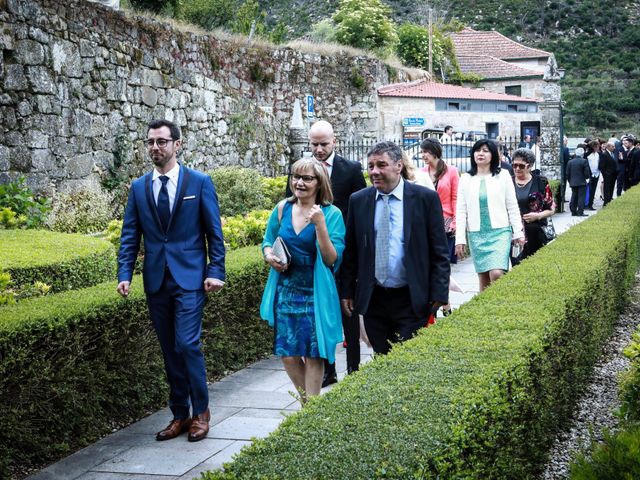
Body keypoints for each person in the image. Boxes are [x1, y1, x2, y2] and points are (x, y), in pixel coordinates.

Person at [117, 119, 225, 442]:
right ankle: (180, 413)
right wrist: (124, 274)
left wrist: (215, 270)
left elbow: (214, 234)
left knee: (187, 343)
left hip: (191, 278)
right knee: (169, 349)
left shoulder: (199, 182)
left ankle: (201, 412)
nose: (155, 147)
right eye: (150, 142)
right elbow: (129, 237)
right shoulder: (138, 188)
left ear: (177, 144)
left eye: (162, 141)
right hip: (156, 281)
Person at [340, 141, 450, 355]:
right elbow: (351, 251)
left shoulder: (424, 199)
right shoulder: (359, 201)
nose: (374, 171)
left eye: (381, 165)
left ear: (399, 166)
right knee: (382, 359)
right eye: (370, 166)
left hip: (411, 297)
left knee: (408, 360)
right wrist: (347, 291)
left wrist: (439, 293)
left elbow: (439, 251)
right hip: (374, 298)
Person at [286, 120, 367, 387]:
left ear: (335, 141)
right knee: (321, 317)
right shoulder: (303, 171)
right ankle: (328, 370)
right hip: (313, 255)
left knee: (347, 311)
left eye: (324, 144)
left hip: (342, 250)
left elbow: (361, 207)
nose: (319, 149)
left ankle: (354, 367)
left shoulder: (351, 169)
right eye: (314, 144)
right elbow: (291, 204)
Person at [260, 158, 345, 403]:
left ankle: (311, 407)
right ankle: (308, 402)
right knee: (287, 352)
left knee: (314, 352)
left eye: (307, 178)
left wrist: (320, 226)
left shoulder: (331, 214)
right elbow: (268, 241)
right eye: (296, 176)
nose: (299, 182)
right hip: (286, 288)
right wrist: (269, 256)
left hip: (315, 290)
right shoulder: (282, 209)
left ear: (320, 183)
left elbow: (331, 259)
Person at [455, 139, 524, 292]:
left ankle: (501, 302)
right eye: (478, 150)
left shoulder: (504, 175)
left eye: (485, 151)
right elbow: (460, 210)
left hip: (500, 232)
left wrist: (518, 232)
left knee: (497, 273)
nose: (481, 154)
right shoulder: (466, 179)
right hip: (476, 234)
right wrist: (459, 239)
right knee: (484, 279)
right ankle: (487, 311)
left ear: (493, 155)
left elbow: (512, 206)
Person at [420, 138, 458, 316]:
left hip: (446, 221)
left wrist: (456, 222)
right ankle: (439, 304)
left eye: (425, 152)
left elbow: (456, 197)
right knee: (428, 265)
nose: (423, 156)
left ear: (434, 152)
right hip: (427, 223)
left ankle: (445, 303)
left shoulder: (451, 171)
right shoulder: (421, 173)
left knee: (442, 265)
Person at [510, 148, 555, 261]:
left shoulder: (541, 182)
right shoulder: (508, 182)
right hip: (514, 233)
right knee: (516, 265)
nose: (517, 169)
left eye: (521, 166)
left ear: (529, 166)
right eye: (514, 165)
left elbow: (551, 208)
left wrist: (538, 216)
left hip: (536, 233)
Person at [566, 146, 591, 216]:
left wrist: (570, 181)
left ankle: (573, 211)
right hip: (582, 182)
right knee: (581, 197)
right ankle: (580, 211)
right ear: (582, 154)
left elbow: (567, 173)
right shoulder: (584, 161)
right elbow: (586, 172)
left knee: (574, 196)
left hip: (573, 182)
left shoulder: (570, 162)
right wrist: (587, 178)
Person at [600, 140, 618, 206]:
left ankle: (609, 200)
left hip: (613, 175)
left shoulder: (612, 154)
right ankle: (606, 202)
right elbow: (601, 166)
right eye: (613, 146)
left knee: (611, 188)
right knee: (607, 189)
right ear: (608, 147)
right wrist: (605, 174)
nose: (614, 148)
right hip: (608, 175)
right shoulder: (604, 154)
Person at [584, 140, 601, 210]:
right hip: (589, 175)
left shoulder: (598, 154)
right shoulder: (587, 155)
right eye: (597, 147)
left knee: (593, 190)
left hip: (596, 174)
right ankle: (586, 204)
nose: (598, 148)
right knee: (588, 190)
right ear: (593, 147)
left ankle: (590, 204)